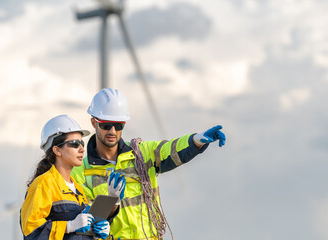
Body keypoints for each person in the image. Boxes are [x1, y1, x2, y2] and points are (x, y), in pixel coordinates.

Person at [71, 88, 226, 240]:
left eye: (118, 125)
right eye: (106, 125)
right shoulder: (81, 171)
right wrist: (112, 202)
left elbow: (171, 149)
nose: (112, 131)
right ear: (93, 122)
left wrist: (196, 141)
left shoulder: (142, 153)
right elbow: (86, 222)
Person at [20, 114, 119, 240]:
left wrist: (96, 232)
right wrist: (68, 226)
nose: (82, 149)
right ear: (57, 150)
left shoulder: (79, 190)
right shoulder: (43, 184)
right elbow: (31, 231)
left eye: (82, 143)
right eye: (74, 144)